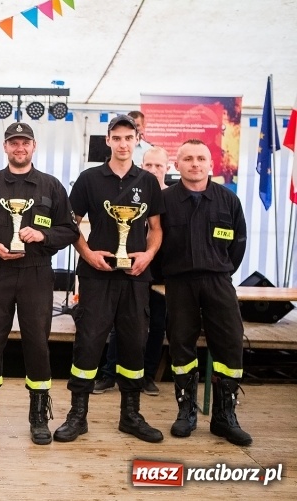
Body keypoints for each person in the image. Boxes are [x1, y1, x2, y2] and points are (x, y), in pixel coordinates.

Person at [0, 123, 79, 444]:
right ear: (5, 147)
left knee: (37, 345)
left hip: (36, 273)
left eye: (24, 143)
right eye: (13, 143)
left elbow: (69, 231)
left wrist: (43, 234)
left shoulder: (51, 187)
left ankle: (38, 416)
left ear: (34, 146)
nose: (19, 148)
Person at [54, 115, 164, 444]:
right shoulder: (89, 179)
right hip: (96, 276)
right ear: (108, 140)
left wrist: (147, 256)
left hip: (135, 277)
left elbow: (156, 230)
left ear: (137, 140)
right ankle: (78, 415)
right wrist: (87, 254)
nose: (123, 143)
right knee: (88, 343)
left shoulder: (147, 182)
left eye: (129, 138)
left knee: (133, 344)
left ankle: (130, 415)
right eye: (117, 138)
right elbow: (71, 224)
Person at [158, 139, 251, 446]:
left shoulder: (228, 200)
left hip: (218, 281)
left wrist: (219, 268)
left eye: (201, 158)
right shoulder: (165, 201)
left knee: (230, 344)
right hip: (180, 283)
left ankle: (225, 417)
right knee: (181, 345)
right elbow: (155, 242)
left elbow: (238, 244)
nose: (194, 164)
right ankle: (186, 411)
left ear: (212, 164)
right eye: (188, 158)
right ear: (177, 165)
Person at [93, 146, 170, 396]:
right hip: (128, 270)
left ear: (168, 168)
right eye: (149, 165)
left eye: (159, 166)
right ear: (141, 165)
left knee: (156, 325)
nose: (154, 170)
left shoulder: (174, 197)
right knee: (121, 324)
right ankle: (109, 373)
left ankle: (146, 376)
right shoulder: (132, 190)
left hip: (160, 272)